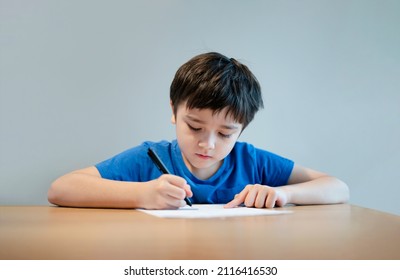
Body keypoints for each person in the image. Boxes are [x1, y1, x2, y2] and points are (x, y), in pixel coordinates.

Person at [48, 52, 349, 209]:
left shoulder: (251, 162)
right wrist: (142, 194)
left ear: (241, 130)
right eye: (194, 126)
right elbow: (61, 189)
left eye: (225, 133)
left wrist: (281, 194)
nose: (207, 143)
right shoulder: (151, 158)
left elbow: (337, 187)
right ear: (173, 111)